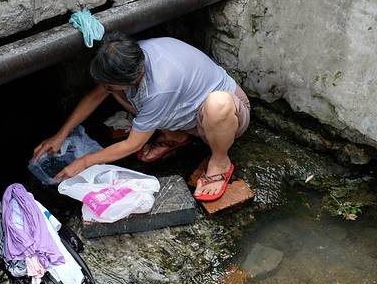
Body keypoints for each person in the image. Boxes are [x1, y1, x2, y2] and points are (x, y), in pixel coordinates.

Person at [33, 32, 250, 201]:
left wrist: (84, 162)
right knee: (115, 91)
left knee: (217, 104)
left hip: (225, 116)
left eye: (109, 84)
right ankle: (175, 136)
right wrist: (61, 134)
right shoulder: (131, 57)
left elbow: (132, 145)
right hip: (186, 111)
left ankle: (220, 160)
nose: (105, 88)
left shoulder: (160, 87)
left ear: (134, 76)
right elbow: (96, 95)